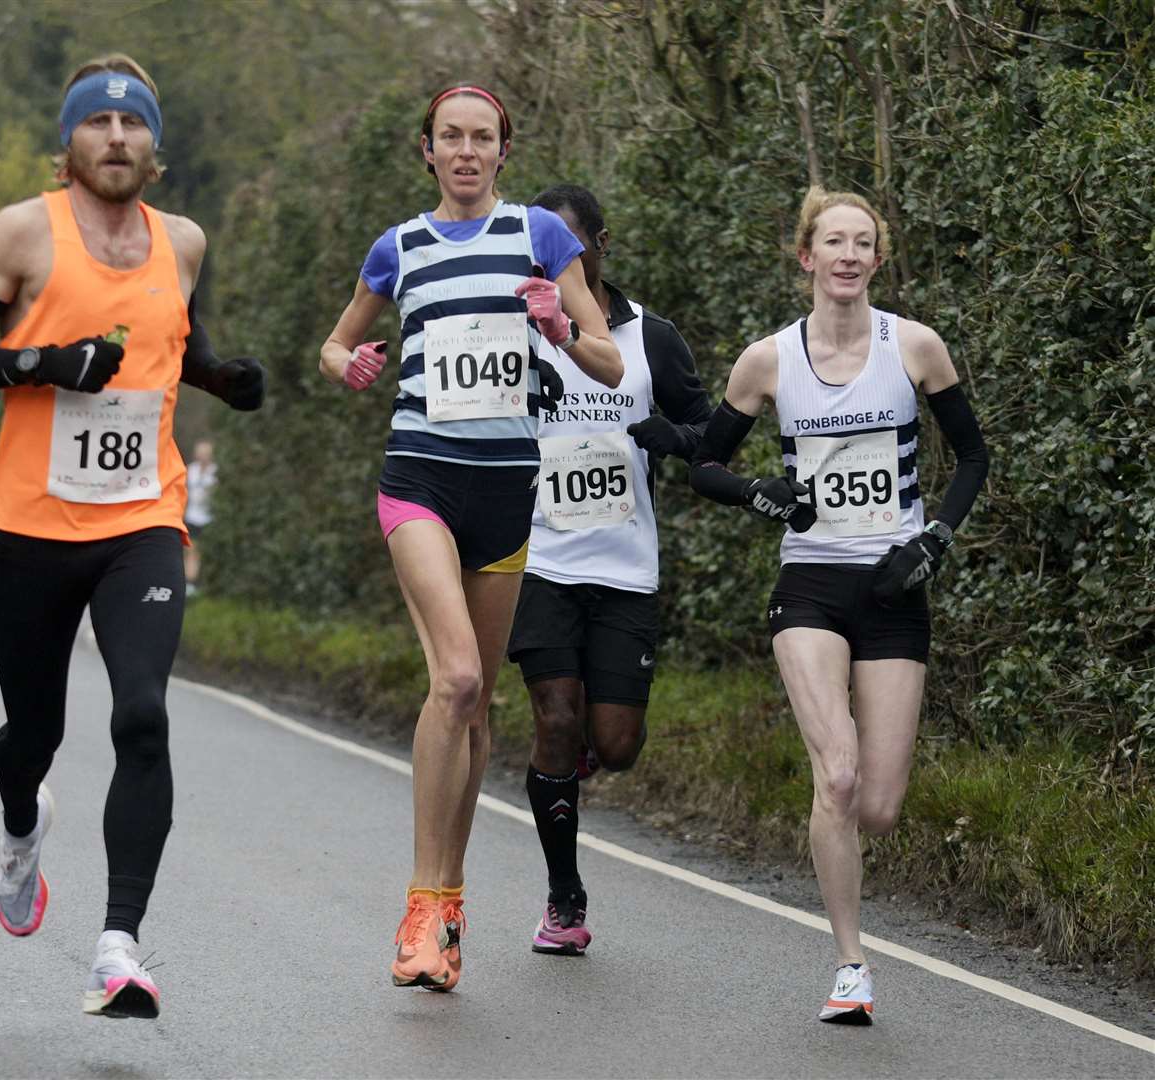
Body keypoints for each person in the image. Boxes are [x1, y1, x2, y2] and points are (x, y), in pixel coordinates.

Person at [0, 52, 265, 1019]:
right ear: (67, 142)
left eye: (134, 125)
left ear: (156, 148)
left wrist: (224, 379)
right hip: (30, 523)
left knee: (142, 715)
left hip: (142, 519)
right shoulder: (25, 230)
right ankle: (22, 827)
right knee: (35, 733)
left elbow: (172, 345)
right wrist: (40, 363)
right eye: (97, 123)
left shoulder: (183, 241)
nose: (117, 137)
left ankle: (118, 948)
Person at [319, 84, 623, 991]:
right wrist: (353, 363)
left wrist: (560, 328)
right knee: (451, 677)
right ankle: (419, 901)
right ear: (426, 151)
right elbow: (333, 345)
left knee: (477, 705)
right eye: (448, 137)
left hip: (505, 496)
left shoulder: (540, 237)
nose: (464, 151)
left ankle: (448, 906)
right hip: (417, 481)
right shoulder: (398, 246)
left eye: (480, 138)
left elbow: (606, 357)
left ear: (501, 152)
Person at [688, 186, 988, 1023]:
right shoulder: (767, 360)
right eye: (833, 243)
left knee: (879, 806)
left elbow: (970, 458)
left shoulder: (915, 346)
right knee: (840, 774)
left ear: (876, 259)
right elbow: (704, 469)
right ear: (806, 258)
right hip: (810, 584)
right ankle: (850, 966)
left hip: (893, 586)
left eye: (862, 243)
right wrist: (765, 496)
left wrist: (932, 539)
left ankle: (844, 871)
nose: (848, 256)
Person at [505, 184, 713, 956]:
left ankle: (573, 758)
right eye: (541, 251)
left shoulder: (648, 337)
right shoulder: (512, 332)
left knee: (615, 746)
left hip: (625, 565)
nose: (556, 262)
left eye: (569, 246)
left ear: (599, 244)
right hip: (540, 560)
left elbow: (707, 432)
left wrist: (671, 436)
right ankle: (563, 896)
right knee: (554, 722)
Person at [182, 438, 216, 596]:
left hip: (210, 519)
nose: (203, 456)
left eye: (206, 453)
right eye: (201, 453)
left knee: (207, 551)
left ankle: (208, 584)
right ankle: (190, 584)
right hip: (192, 517)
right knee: (192, 551)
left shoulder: (216, 471)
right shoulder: (190, 470)